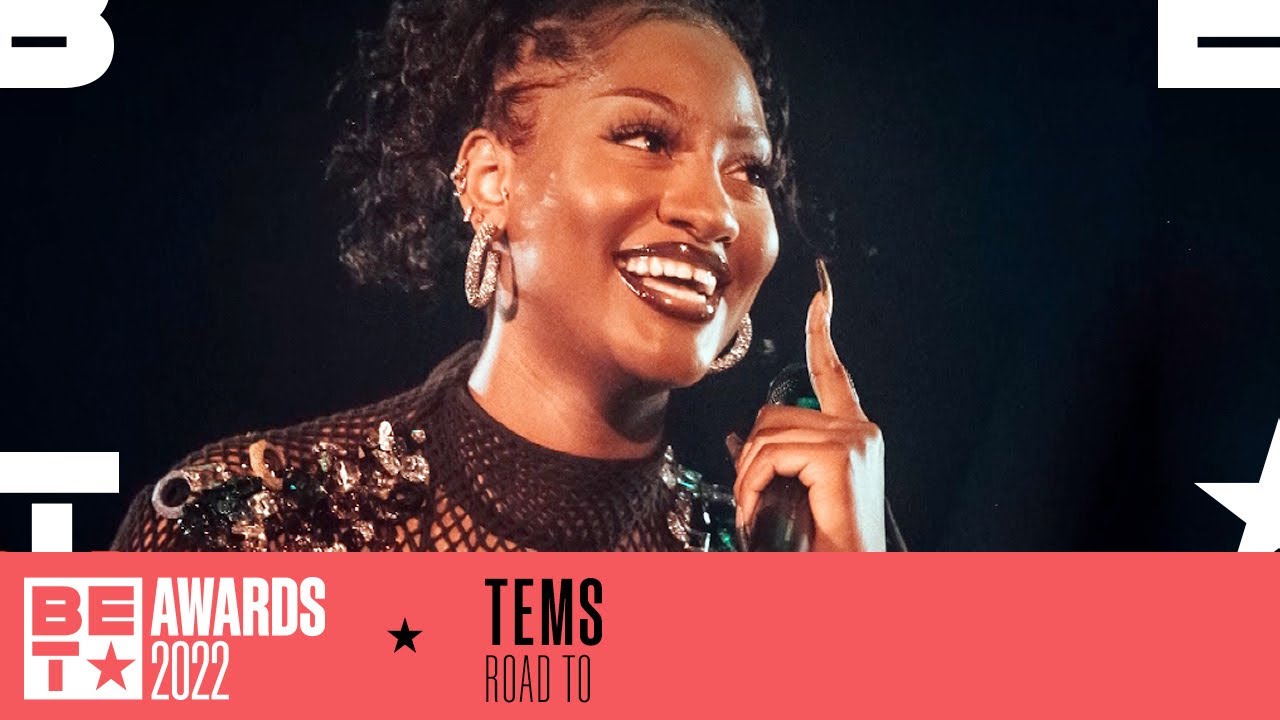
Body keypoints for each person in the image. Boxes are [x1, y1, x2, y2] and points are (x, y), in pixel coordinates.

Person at [112, 0, 902, 552]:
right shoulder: (237, 528)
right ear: (492, 181)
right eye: (646, 138)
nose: (716, 212)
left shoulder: (772, 571)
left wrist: (861, 623)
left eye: (750, 171)